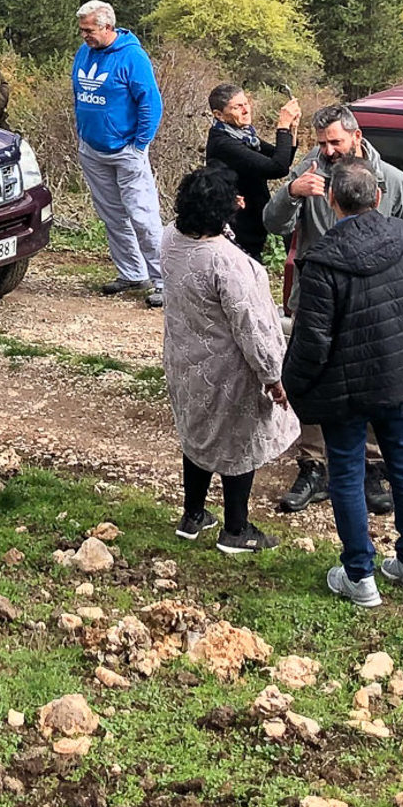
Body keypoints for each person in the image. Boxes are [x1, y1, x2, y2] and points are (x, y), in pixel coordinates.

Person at [280, 155, 403, 608]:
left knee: (348, 473)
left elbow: (312, 342)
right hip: (400, 380)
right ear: (378, 196)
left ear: (331, 201)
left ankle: (360, 575)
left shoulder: (322, 259)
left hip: (345, 390)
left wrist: (290, 386)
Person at [262, 103, 403, 514]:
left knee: (372, 381)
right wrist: (291, 193)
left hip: (372, 305)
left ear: (356, 136)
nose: (328, 151)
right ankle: (313, 466)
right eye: (322, 143)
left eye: (335, 142)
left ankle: (371, 469)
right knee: (312, 378)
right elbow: (273, 224)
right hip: (316, 299)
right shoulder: (309, 171)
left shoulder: (392, 182)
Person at [161, 167, 300, 554]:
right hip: (227, 371)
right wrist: (273, 377)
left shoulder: (169, 238)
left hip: (183, 359)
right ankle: (236, 530)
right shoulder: (227, 263)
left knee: (197, 434)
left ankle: (192, 516)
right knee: (238, 443)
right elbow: (252, 328)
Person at [71, 0, 166, 305]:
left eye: (89, 30)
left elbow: (150, 102)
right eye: (82, 30)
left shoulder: (132, 57)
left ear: (107, 27)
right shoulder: (84, 52)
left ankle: (163, 281)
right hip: (92, 149)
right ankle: (132, 273)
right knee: (112, 215)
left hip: (126, 151)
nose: (84, 35)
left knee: (142, 216)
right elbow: (79, 94)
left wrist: (139, 145)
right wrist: (83, 135)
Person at [202, 84, 297, 261]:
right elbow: (277, 168)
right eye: (237, 107)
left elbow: (282, 158)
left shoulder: (243, 135)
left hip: (252, 223)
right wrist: (282, 127)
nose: (246, 110)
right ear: (218, 115)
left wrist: (292, 128)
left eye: (246, 103)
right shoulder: (224, 143)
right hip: (237, 226)